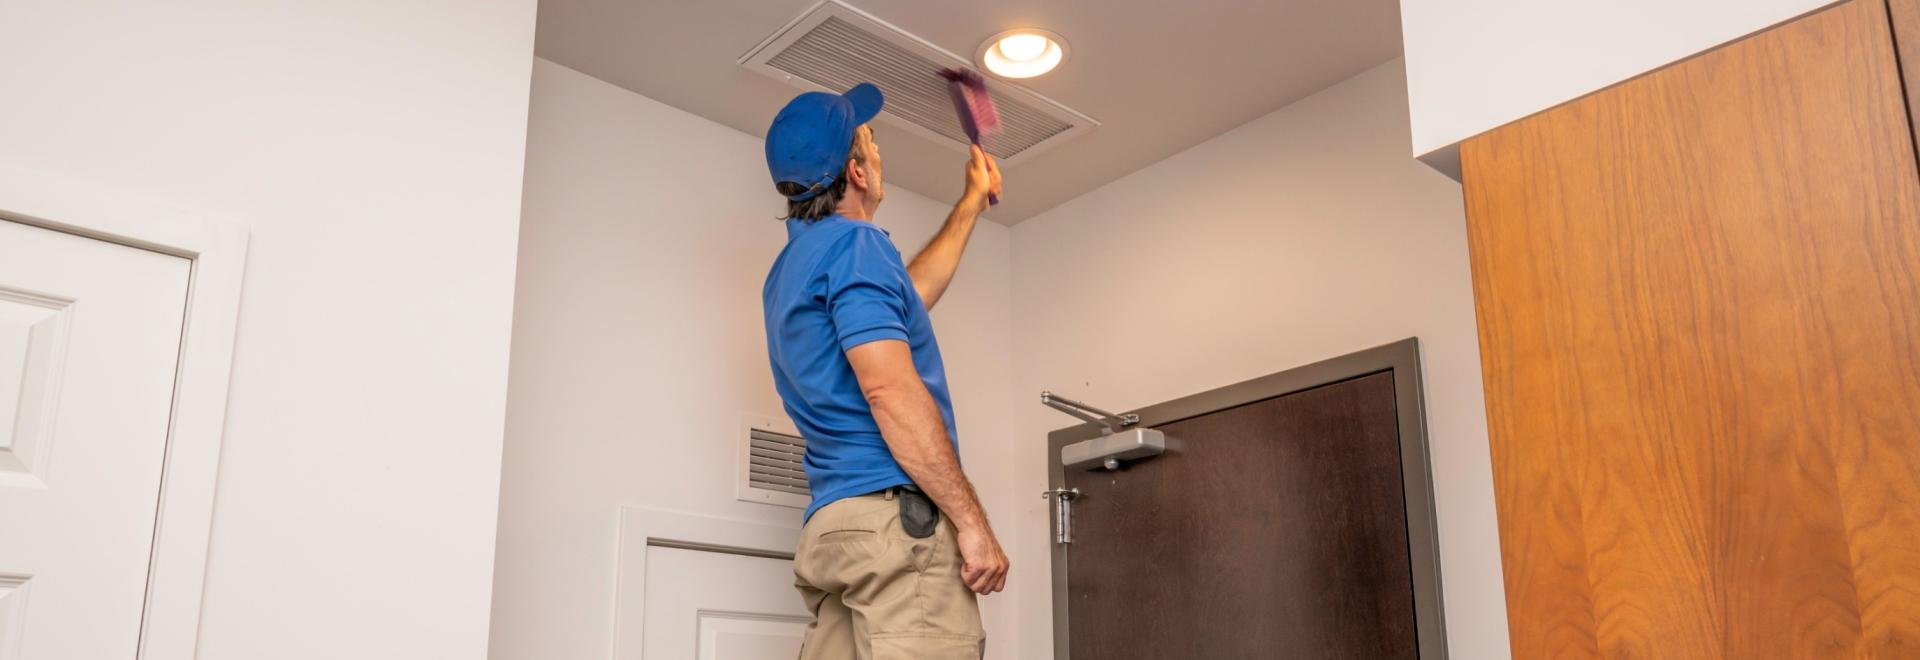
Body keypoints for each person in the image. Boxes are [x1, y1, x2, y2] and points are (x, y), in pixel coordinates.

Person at [760, 82, 1007, 660]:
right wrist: (971, 523)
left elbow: (907, 297)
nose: (879, 152)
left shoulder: (792, 269)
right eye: (871, 141)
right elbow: (888, 387)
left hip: (835, 531)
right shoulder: (858, 246)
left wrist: (969, 204)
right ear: (858, 173)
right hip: (894, 529)